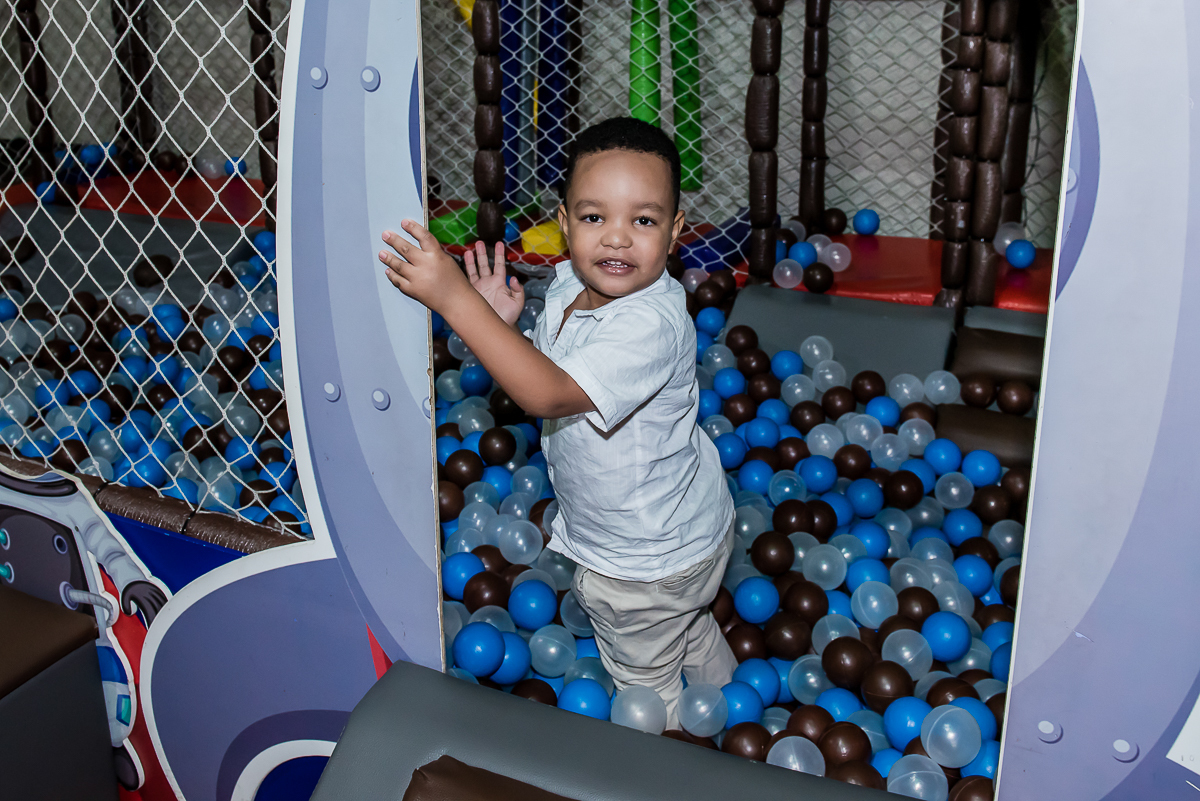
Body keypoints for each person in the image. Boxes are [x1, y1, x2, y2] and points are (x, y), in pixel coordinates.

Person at [378, 117, 736, 728]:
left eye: (643, 220)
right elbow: (547, 366)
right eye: (595, 218)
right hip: (682, 534)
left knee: (644, 684)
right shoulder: (572, 279)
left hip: (644, 561)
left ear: (676, 231)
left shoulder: (649, 322)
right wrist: (505, 325)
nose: (617, 239)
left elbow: (546, 393)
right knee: (688, 625)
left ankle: (684, 755)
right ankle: (725, 694)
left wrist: (457, 302)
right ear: (564, 223)